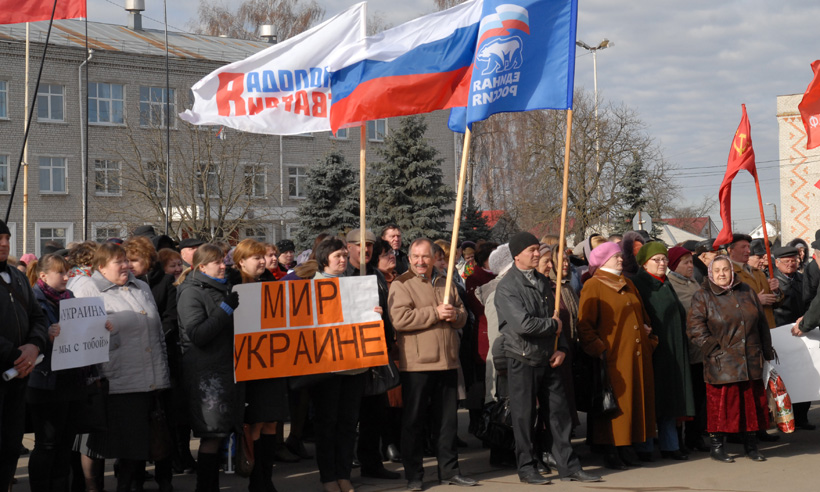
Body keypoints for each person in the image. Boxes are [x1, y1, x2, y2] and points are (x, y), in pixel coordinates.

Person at [495, 232, 601, 485]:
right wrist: (553, 327)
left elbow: (556, 318)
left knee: (559, 414)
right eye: (531, 250)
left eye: (537, 249)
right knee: (524, 417)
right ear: (517, 255)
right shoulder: (507, 287)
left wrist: (561, 348)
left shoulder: (543, 281)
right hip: (522, 358)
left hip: (550, 358)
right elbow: (523, 325)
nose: (537, 254)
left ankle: (569, 466)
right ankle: (527, 467)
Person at [72, 242, 172, 492]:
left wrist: (161, 375)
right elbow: (79, 335)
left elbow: (157, 334)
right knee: (98, 445)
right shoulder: (88, 289)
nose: (126, 265)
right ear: (102, 267)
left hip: (145, 381)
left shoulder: (142, 287)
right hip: (111, 381)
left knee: (135, 446)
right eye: (119, 262)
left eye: (127, 260)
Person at [388, 238, 477, 490]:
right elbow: (400, 319)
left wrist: (454, 315)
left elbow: (462, 315)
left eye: (425, 257)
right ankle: (414, 475)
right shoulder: (402, 284)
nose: (420, 261)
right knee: (414, 422)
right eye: (416, 257)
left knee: (447, 422)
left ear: (433, 258)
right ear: (409, 258)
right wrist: (435, 313)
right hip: (417, 364)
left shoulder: (445, 282)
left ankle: (449, 471)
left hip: (447, 361)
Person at [25, 254, 113, 492]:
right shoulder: (33, 301)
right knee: (47, 444)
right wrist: (46, 335)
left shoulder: (70, 298)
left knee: (65, 444)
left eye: (68, 272)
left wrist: (100, 327)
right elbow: (27, 335)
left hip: (72, 382)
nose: (66, 278)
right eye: (61, 273)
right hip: (45, 384)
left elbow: (81, 333)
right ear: (43, 276)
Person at [577, 242, 658, 470]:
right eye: (616, 256)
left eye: (621, 256)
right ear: (603, 260)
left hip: (635, 354)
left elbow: (642, 314)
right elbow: (585, 325)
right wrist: (601, 350)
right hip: (614, 357)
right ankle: (612, 450)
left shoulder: (628, 283)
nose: (621, 259)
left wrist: (649, 337)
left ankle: (628, 446)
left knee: (633, 402)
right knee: (616, 404)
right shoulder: (594, 285)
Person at [687, 255, 774, 463]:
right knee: (721, 408)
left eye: (725, 269)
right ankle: (717, 447)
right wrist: (714, 349)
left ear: (732, 271)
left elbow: (761, 323)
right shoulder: (703, 295)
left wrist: (766, 351)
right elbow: (695, 328)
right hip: (722, 362)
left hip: (750, 359)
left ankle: (751, 446)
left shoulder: (746, 291)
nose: (722, 274)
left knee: (750, 406)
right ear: (710, 273)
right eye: (717, 270)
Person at [175, 243, 244, 492]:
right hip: (206, 374)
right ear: (202, 267)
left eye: (224, 261)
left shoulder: (222, 288)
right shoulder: (191, 292)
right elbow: (198, 334)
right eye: (218, 262)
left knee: (221, 431)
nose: (224, 266)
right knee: (211, 434)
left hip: (226, 370)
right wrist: (225, 309)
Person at [230, 238, 295, 492]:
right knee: (255, 423)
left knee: (271, 422)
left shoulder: (271, 283)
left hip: (273, 364)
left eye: (264, 257)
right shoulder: (232, 287)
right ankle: (256, 481)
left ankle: (266, 479)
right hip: (250, 366)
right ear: (241, 262)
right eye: (256, 257)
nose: (262, 261)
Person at [310, 237, 372, 492]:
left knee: (348, 424)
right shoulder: (310, 288)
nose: (343, 260)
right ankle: (328, 477)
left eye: (345, 256)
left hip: (354, 366)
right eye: (338, 256)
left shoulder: (355, 285)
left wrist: (373, 314)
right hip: (326, 369)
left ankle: (344, 475)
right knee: (327, 425)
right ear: (324, 258)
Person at [344, 229, 401, 481]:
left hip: (376, 352)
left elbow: (386, 313)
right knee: (348, 415)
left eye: (368, 245)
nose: (365, 249)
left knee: (374, 412)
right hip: (348, 355)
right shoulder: (342, 276)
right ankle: (343, 469)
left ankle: (372, 463)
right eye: (359, 245)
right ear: (348, 247)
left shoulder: (376, 275)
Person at [630, 242, 694, 461]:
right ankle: (645, 446)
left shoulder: (665, 283)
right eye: (656, 260)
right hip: (653, 351)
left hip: (673, 349)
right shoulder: (638, 284)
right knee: (651, 400)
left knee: (669, 400)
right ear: (644, 263)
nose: (661, 263)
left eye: (664, 259)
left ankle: (670, 445)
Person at [0, 219, 48, 491]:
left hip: (19, 377)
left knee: (10, 445)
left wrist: (34, 346)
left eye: (7, 238)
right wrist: (15, 354)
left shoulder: (18, 277)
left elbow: (37, 316)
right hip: (9, 367)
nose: (4, 244)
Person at [666, 247, 709, 452]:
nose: (690, 266)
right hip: (685, 349)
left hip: (701, 349)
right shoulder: (671, 285)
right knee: (686, 398)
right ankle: (681, 439)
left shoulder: (694, 282)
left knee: (700, 396)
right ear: (674, 265)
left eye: (691, 262)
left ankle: (695, 436)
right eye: (685, 262)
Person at [771, 246, 813, 430]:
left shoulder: (803, 279)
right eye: (786, 261)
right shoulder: (772, 281)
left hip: (803, 332)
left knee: (804, 375)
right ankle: (787, 418)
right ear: (777, 263)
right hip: (781, 333)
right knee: (785, 378)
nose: (791, 264)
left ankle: (802, 416)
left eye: (794, 260)